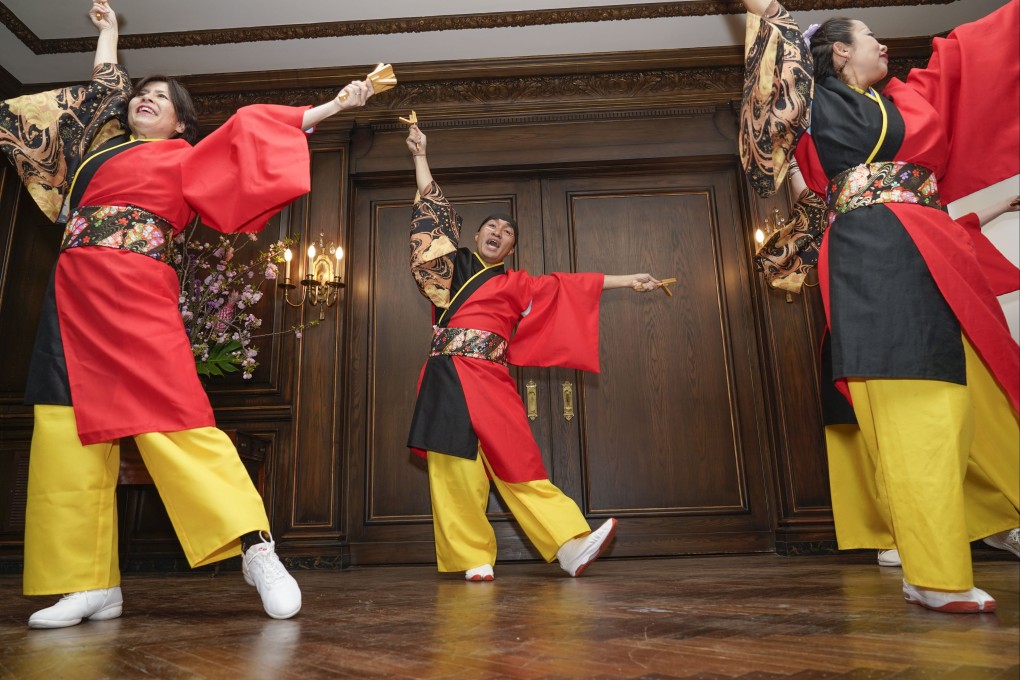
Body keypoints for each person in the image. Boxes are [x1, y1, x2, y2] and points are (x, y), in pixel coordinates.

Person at [0, 1, 377, 628]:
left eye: (163, 98)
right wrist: (109, 35)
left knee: (175, 417)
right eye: (141, 94)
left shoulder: (185, 157)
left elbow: (251, 133)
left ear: (181, 124)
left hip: (136, 290)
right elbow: (103, 89)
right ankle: (87, 583)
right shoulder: (97, 149)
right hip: (69, 296)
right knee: (63, 429)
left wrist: (330, 108)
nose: (146, 99)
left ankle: (254, 547)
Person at [738, 0, 1020, 613]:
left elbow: (969, 60)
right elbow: (776, 92)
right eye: (870, 35)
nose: (883, 44)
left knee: (975, 402)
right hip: (874, 254)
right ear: (839, 50)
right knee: (915, 405)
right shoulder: (813, 100)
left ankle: (971, 533)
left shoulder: (903, 100)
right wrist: (770, 11)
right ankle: (936, 573)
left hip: (936, 250)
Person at [404, 123, 664, 581]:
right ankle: (471, 558)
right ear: (476, 235)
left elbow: (570, 286)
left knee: (518, 460)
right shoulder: (451, 266)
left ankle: (569, 545)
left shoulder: (518, 284)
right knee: (455, 469)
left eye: (507, 231)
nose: (498, 231)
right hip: (447, 374)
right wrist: (419, 156)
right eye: (491, 226)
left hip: (490, 377)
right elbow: (434, 213)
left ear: (510, 249)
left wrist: (630, 281)